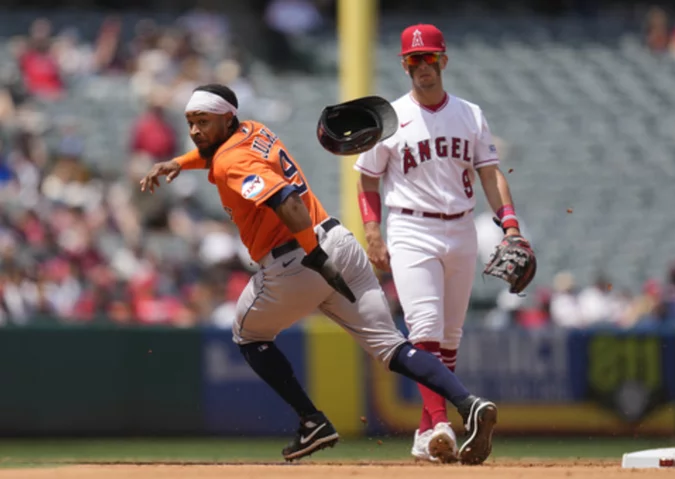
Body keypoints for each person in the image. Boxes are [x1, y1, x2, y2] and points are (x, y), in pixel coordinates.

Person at [139, 83, 497, 464]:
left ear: (227, 118)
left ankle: (312, 421)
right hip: (340, 241)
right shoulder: (254, 130)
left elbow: (287, 203)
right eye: (191, 122)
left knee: (247, 334)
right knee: (393, 347)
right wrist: (180, 161)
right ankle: (469, 403)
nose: (195, 130)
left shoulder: (230, 162)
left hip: (300, 259)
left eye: (203, 121)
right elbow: (215, 153)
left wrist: (314, 254)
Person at [354, 24, 531, 463]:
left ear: (443, 61)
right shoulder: (390, 118)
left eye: (429, 58)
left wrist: (510, 225)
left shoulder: (470, 114)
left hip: (462, 227)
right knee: (426, 329)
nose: (422, 67)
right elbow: (367, 177)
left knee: (450, 337)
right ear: (404, 65)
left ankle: (423, 434)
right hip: (412, 229)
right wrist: (372, 230)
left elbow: (489, 173)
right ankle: (440, 425)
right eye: (414, 60)